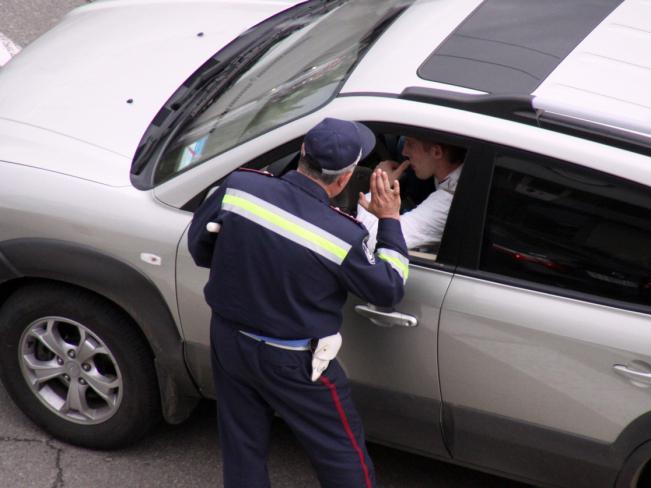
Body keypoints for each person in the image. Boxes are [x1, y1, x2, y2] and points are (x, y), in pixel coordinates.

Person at [188, 117, 409, 488]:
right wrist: (389, 221)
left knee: (242, 449)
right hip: (295, 360)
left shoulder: (240, 187)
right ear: (343, 180)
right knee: (341, 456)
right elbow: (388, 289)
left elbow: (200, 247)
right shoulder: (343, 235)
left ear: (302, 153)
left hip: (229, 340)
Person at [357, 136, 465, 251]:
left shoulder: (446, 203)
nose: (404, 152)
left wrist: (379, 187)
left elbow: (369, 240)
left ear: (437, 152)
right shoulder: (454, 177)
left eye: (410, 144)